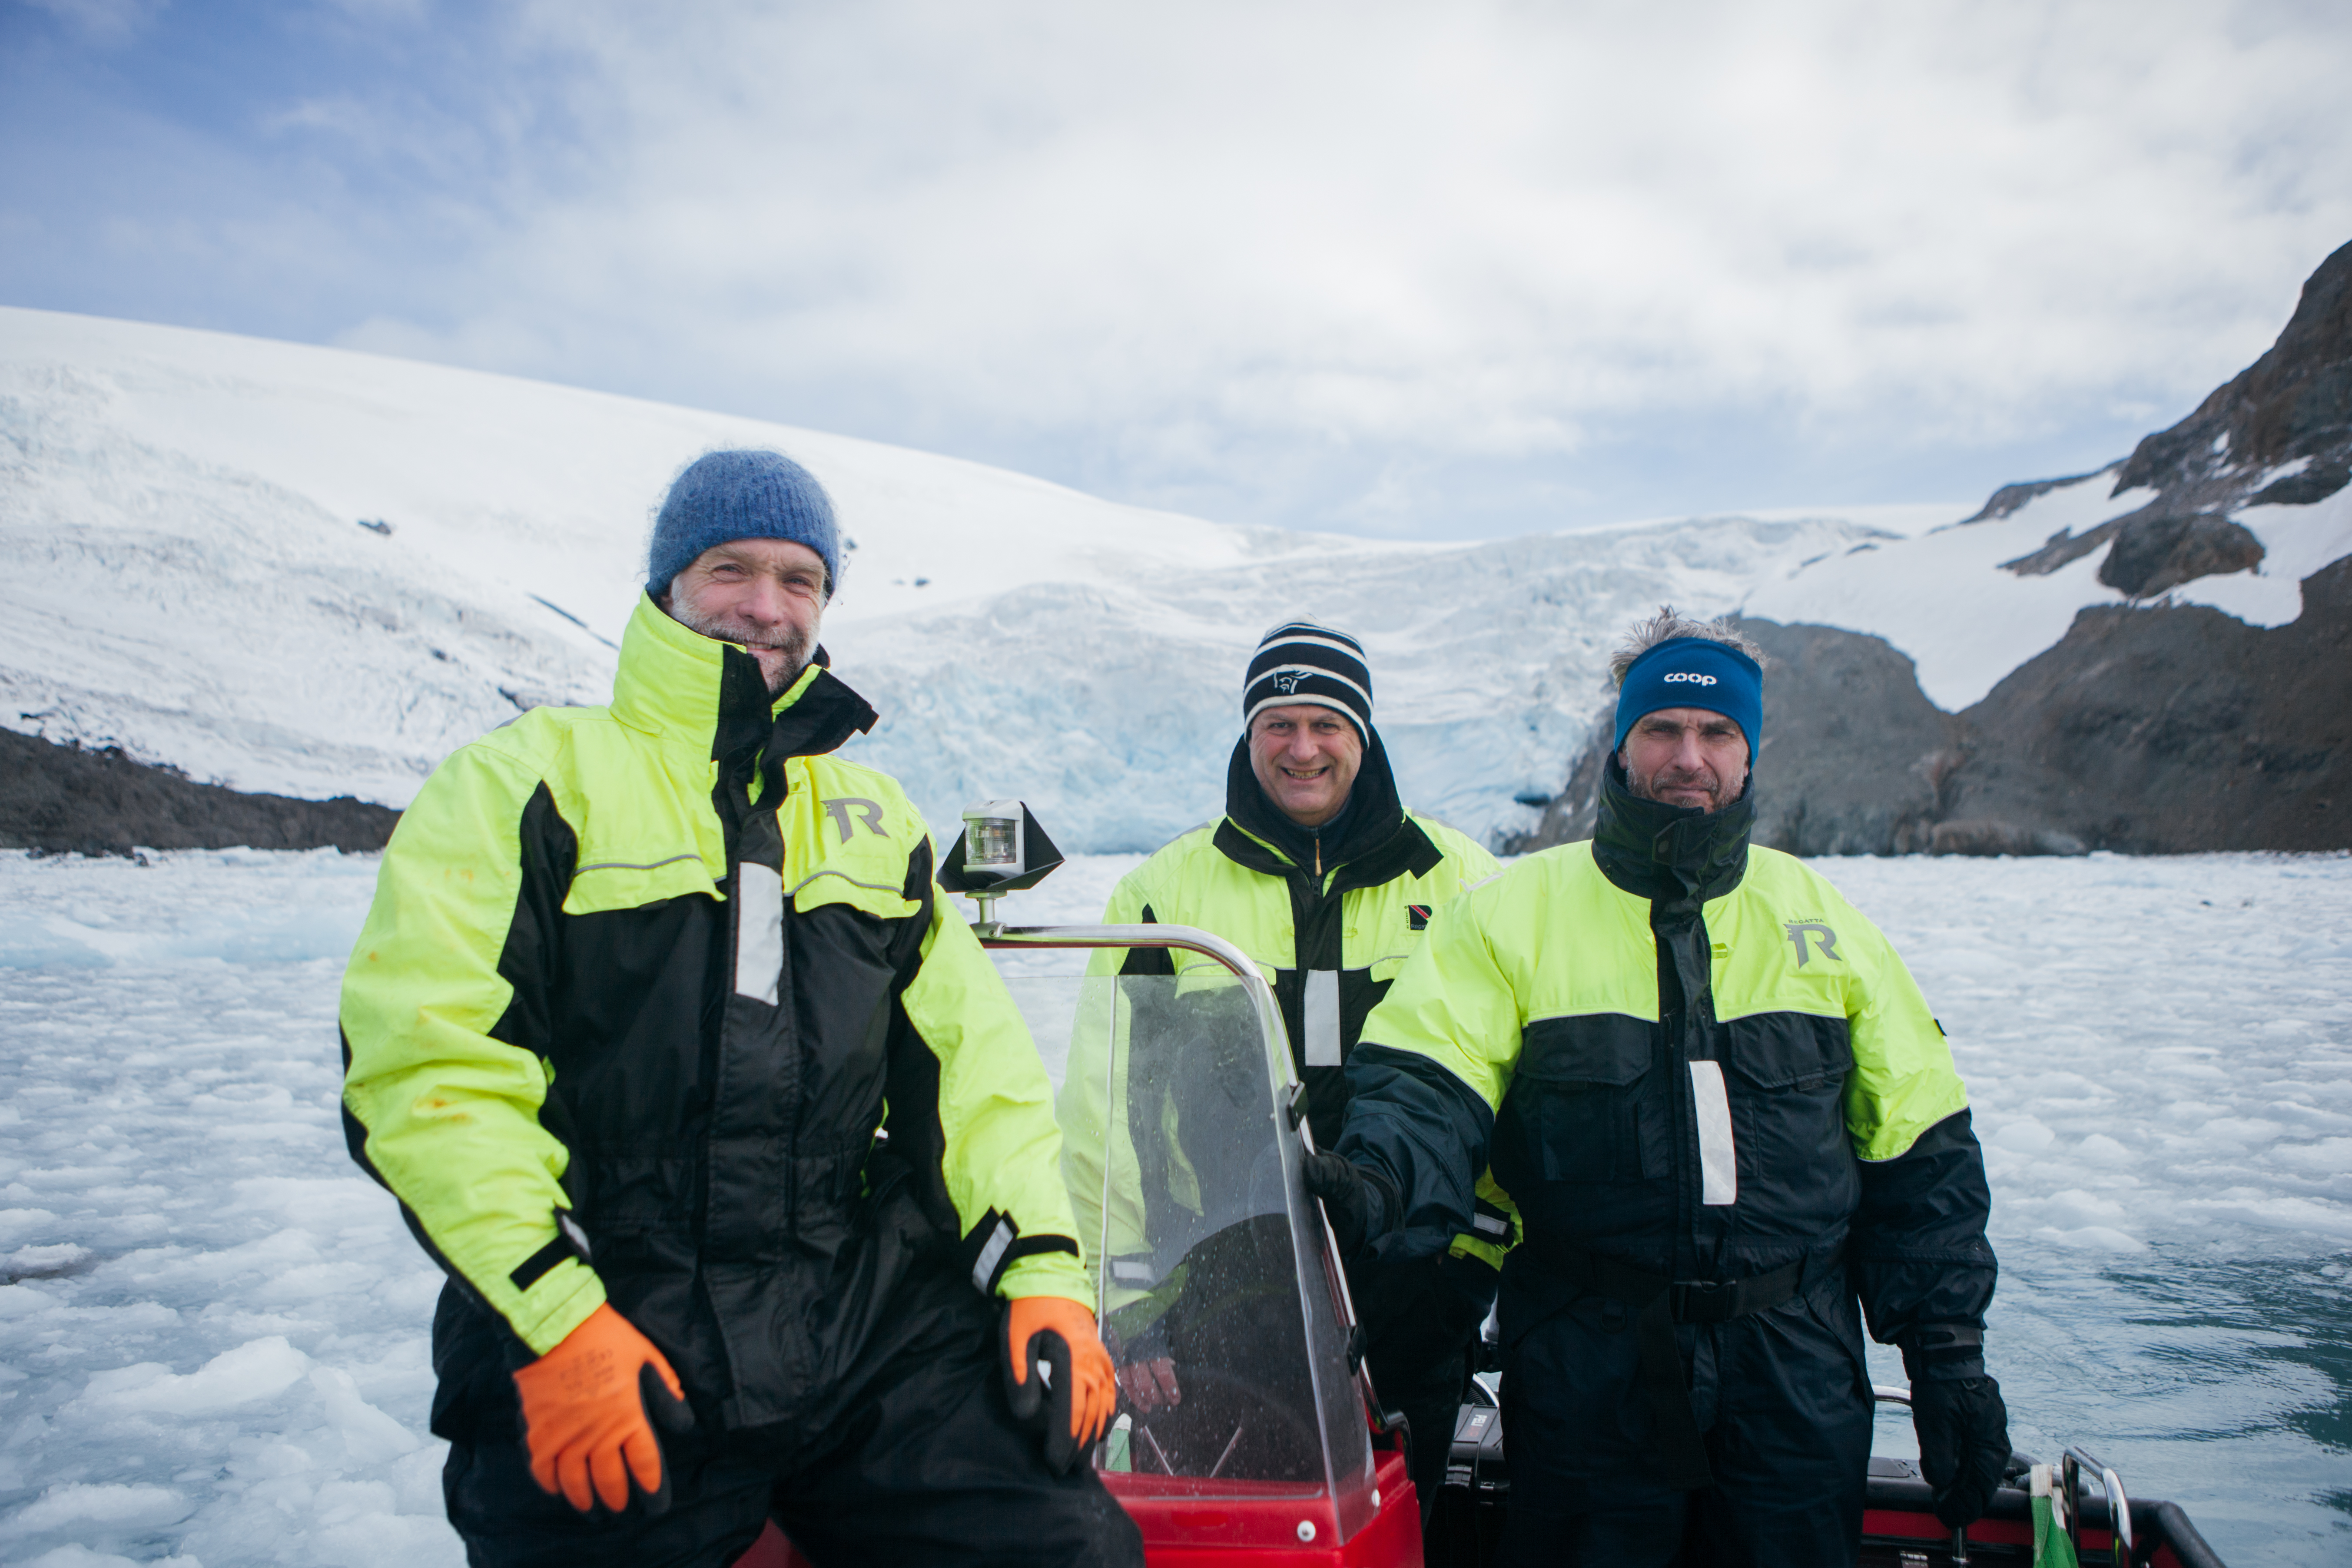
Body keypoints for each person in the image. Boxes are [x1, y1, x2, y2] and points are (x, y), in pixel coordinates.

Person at [340, 450, 1141, 1568]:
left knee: (1066, 1549)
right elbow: (428, 1068)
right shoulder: (523, 786)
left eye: (799, 579)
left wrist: (1043, 1274)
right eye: (733, 569)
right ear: (671, 583)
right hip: (613, 1300)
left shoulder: (871, 816)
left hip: (856, 1320)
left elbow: (976, 1077)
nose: (766, 608)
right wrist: (552, 1314)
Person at [1306, 608, 2011, 1566]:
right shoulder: (1511, 914)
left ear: (1749, 752)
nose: (1690, 756)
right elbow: (1429, 1080)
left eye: (1717, 732)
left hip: (1794, 1370)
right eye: (1663, 730)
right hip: (1589, 1362)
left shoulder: (1824, 921)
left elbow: (1919, 1149)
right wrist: (1382, 1175)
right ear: (1624, 741)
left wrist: (1948, 1356)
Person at [1074, 620, 1513, 1525]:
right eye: (1278, 722)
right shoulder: (1163, 894)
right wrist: (1128, 1308)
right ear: (1248, 734)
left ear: (1364, 732)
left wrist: (1469, 1257)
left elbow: (1505, 1089)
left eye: (1327, 721)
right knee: (1229, 1537)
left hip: (1411, 1290)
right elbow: (1102, 1115)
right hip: (1212, 1297)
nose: (1302, 747)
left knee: (1400, 1530)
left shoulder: (1465, 883)